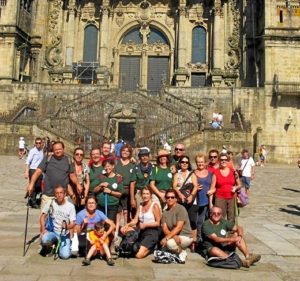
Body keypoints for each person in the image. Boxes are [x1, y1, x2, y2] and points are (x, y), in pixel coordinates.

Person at [27, 141, 82, 210]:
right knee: (45, 218)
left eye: (59, 149)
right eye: (55, 149)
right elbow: (38, 172)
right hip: (48, 195)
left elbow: (72, 175)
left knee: (62, 219)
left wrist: (78, 184)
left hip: (63, 196)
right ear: (53, 150)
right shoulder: (48, 159)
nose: (58, 151)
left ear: (63, 149)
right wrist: (31, 184)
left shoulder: (68, 160)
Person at [121, 186, 161, 259]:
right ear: (141, 195)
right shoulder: (140, 205)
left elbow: (158, 223)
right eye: (144, 194)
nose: (145, 196)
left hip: (152, 232)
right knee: (132, 247)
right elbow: (135, 220)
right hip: (141, 231)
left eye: (147, 194)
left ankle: (152, 248)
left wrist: (146, 225)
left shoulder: (154, 206)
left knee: (138, 256)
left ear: (151, 195)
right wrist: (127, 225)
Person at [39, 185, 76, 259]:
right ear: (55, 194)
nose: (59, 195)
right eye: (57, 193)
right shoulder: (51, 202)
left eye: (61, 193)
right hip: (53, 231)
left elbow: (73, 223)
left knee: (64, 256)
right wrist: (43, 230)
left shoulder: (70, 206)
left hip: (64, 234)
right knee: (44, 239)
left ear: (65, 194)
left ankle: (59, 246)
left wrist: (66, 226)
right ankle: (53, 243)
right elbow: (42, 216)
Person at [173, 156, 198, 251]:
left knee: (192, 220)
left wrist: (191, 196)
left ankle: (194, 241)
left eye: (186, 162)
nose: (184, 163)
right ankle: (181, 240)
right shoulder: (177, 174)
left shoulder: (192, 174)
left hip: (191, 200)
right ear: (179, 163)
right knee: (180, 219)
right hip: (181, 199)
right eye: (182, 162)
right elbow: (174, 186)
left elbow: (195, 186)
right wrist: (179, 194)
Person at [160, 189, 193, 263]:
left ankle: (182, 252)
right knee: (164, 246)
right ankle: (176, 252)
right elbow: (165, 229)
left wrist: (167, 238)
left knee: (169, 243)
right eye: (168, 197)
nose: (170, 199)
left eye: (172, 197)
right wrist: (173, 236)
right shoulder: (165, 212)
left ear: (176, 199)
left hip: (185, 235)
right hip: (174, 236)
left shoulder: (181, 209)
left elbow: (179, 227)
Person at [208, 153, 241, 223]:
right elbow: (212, 188)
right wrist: (210, 203)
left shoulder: (233, 172)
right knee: (219, 217)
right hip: (219, 198)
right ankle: (221, 233)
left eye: (225, 160)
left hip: (232, 198)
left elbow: (239, 185)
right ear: (219, 161)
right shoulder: (216, 172)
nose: (223, 161)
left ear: (228, 161)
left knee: (231, 218)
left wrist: (235, 187)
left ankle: (230, 233)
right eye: (222, 160)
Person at [94, 158, 124, 223]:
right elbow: (95, 190)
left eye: (108, 166)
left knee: (109, 225)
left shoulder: (118, 178)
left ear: (113, 166)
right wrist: (100, 185)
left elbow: (120, 194)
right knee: (99, 225)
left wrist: (110, 192)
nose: (106, 168)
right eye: (105, 166)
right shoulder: (101, 177)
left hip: (112, 206)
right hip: (100, 205)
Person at [194, 153, 213, 244]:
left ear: (205, 162)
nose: (200, 164)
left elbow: (214, 186)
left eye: (202, 162)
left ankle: (204, 237)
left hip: (207, 200)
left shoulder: (210, 174)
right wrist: (195, 188)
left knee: (205, 219)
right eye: (198, 162)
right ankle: (199, 237)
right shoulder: (193, 173)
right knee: (198, 220)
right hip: (197, 200)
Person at [115, 144, 135, 228]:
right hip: (117, 190)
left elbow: (133, 181)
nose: (125, 152)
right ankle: (116, 231)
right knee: (118, 212)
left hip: (127, 191)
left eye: (127, 151)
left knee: (127, 212)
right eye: (123, 150)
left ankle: (126, 230)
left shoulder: (133, 164)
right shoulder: (116, 162)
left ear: (130, 153)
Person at [68, 147, 90, 212]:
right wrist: (72, 195)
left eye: (81, 154)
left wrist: (85, 196)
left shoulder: (85, 167)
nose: (79, 156)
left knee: (81, 216)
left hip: (81, 195)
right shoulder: (69, 166)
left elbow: (87, 181)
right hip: (71, 194)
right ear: (74, 155)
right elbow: (66, 182)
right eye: (77, 154)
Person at [24, 137, 44, 208]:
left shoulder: (42, 150)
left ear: (42, 143)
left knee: (38, 186)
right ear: (35, 143)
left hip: (40, 171)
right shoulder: (33, 151)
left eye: (39, 143)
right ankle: (33, 202)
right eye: (36, 143)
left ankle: (29, 198)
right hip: (33, 170)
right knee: (34, 186)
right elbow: (27, 161)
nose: (38, 144)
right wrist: (26, 171)